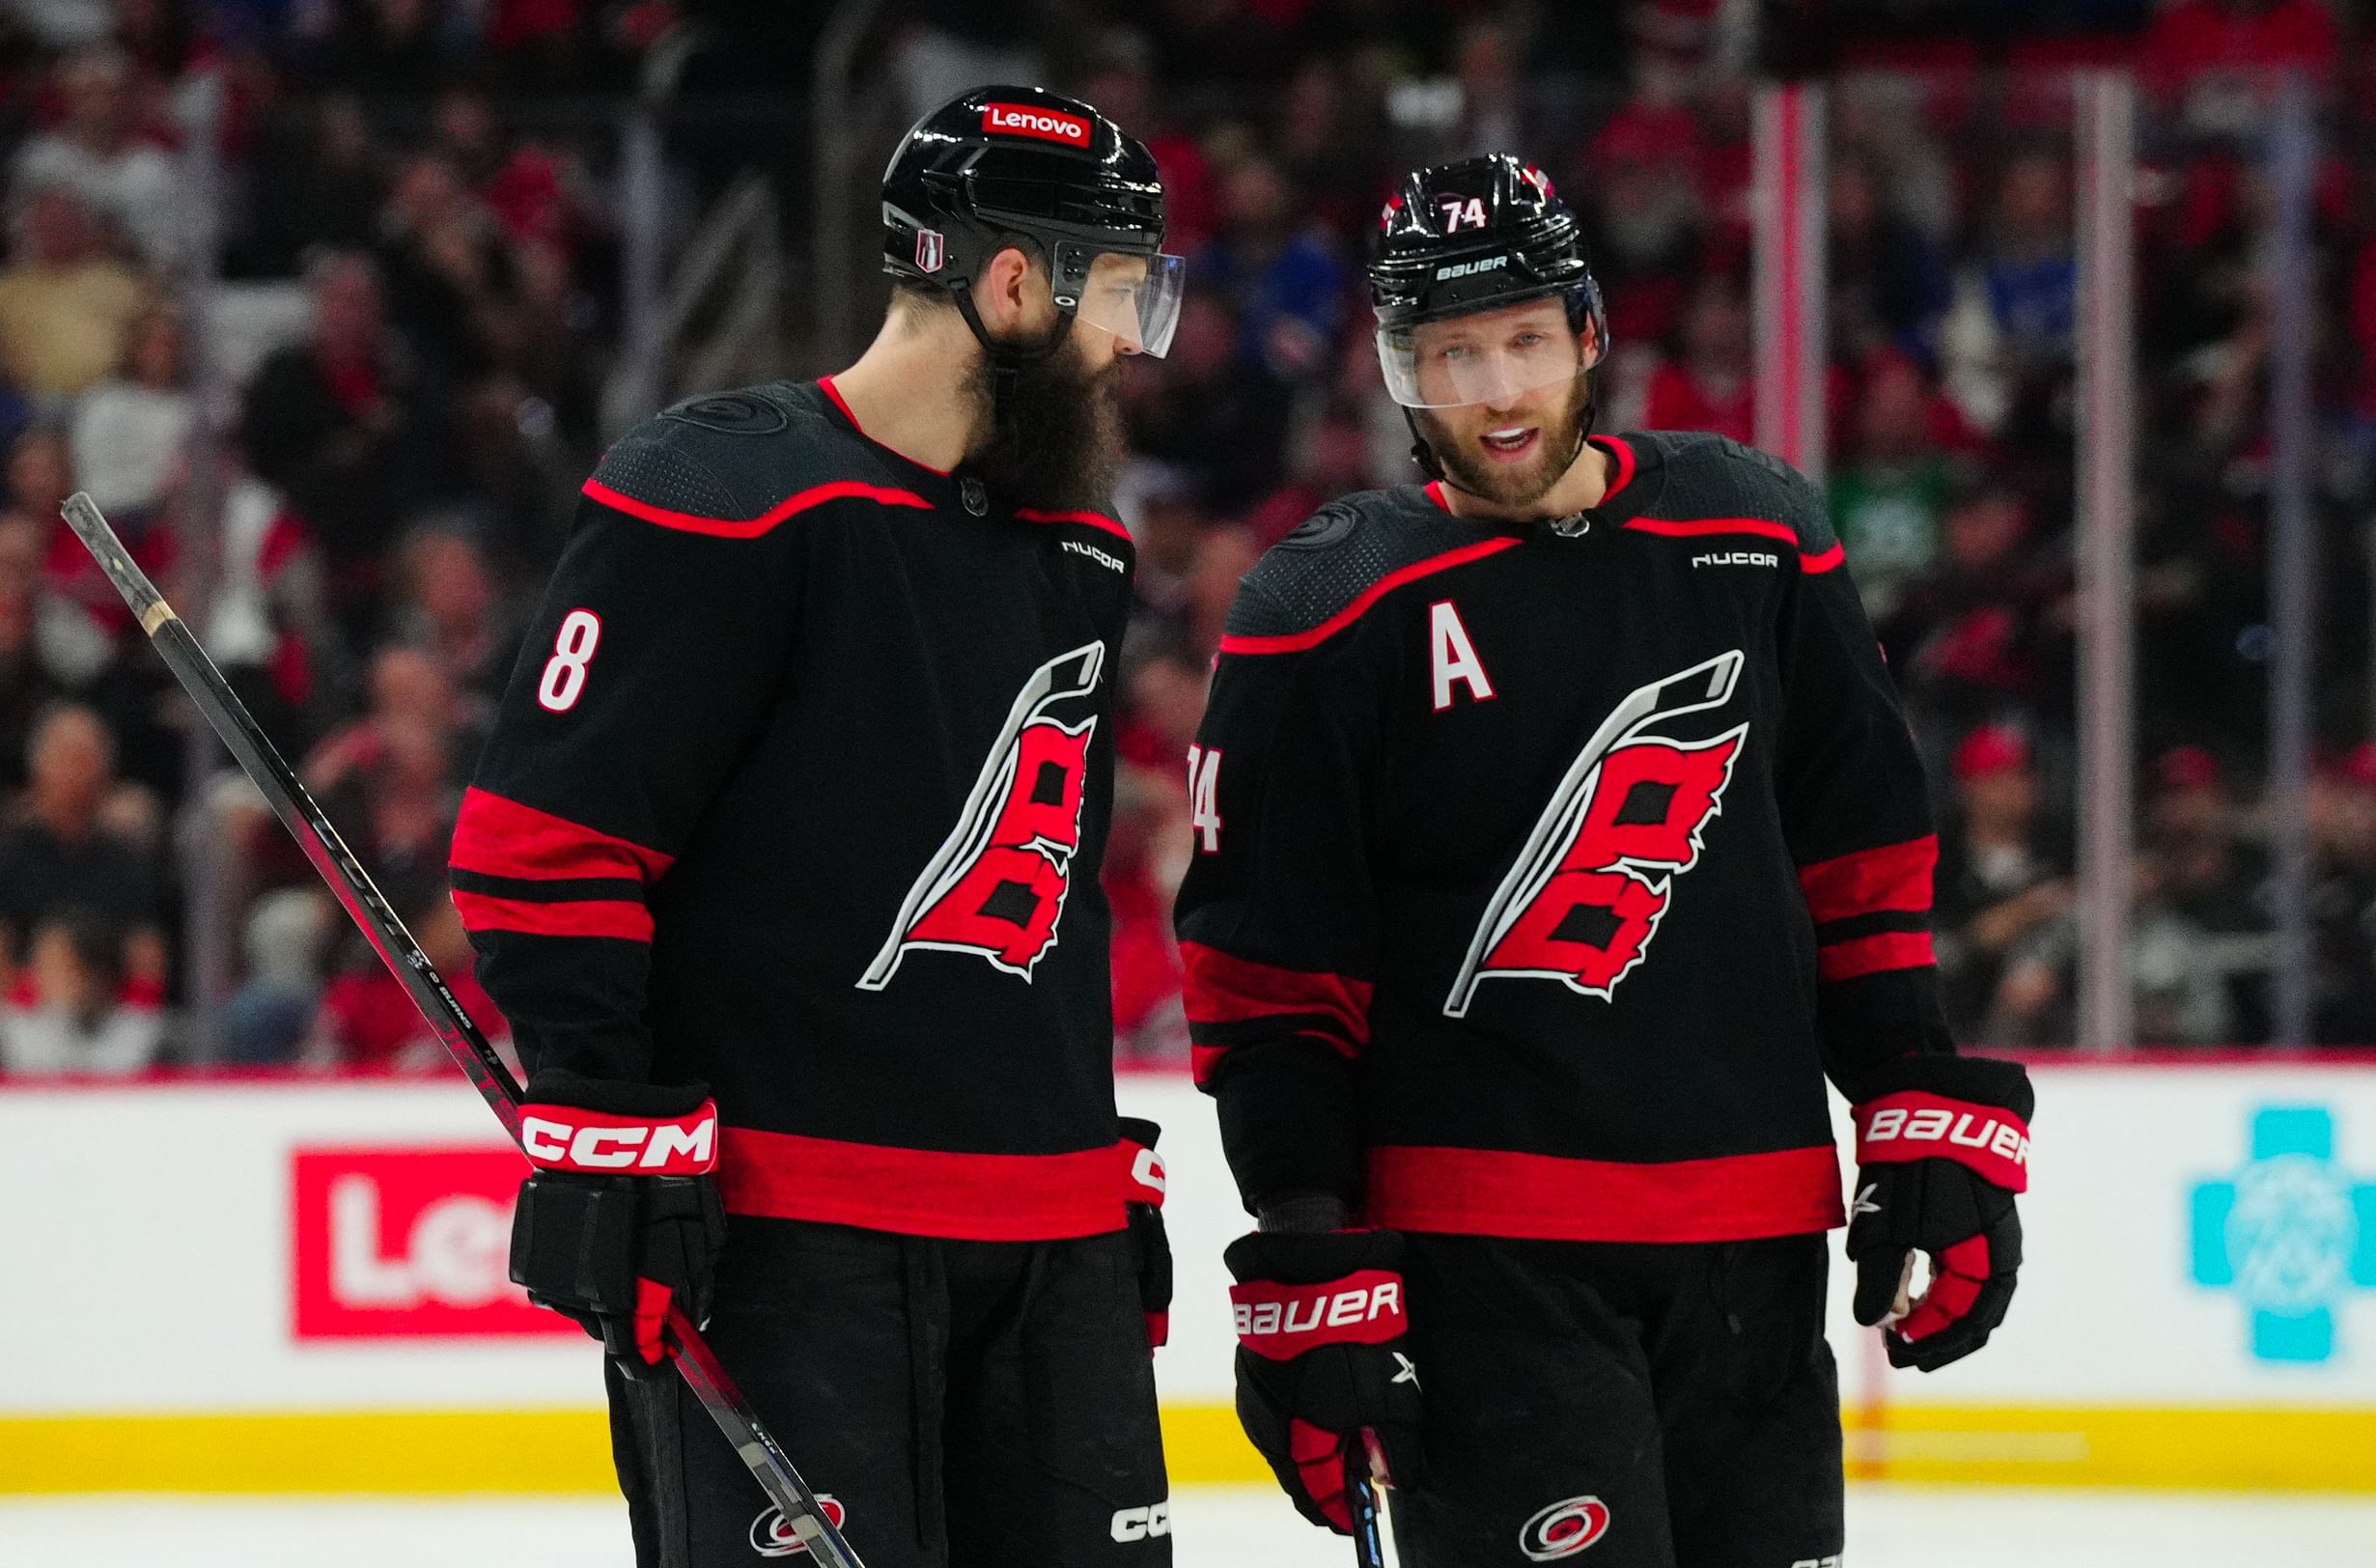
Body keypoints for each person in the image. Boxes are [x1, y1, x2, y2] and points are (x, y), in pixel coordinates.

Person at [1175, 154, 2035, 1568]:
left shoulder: (1754, 528)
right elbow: (1268, 970)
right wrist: (1305, 1232)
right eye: (1450, 355)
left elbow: (1856, 852)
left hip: (1754, 1226)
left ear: (1586, 334)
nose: (1498, 394)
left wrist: (1911, 1092)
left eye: (1521, 340)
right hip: (1481, 1250)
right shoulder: (1323, 604)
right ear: (1396, 374)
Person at [451, 87, 1180, 1567]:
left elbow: (1039, 893)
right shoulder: (723, 491)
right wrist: (610, 1134)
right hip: (791, 1243)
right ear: (1012, 281)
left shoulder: (1080, 545)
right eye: (1113, 294)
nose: (1126, 346)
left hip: (1046, 1245)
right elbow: (542, 848)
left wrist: (1089, 1171)